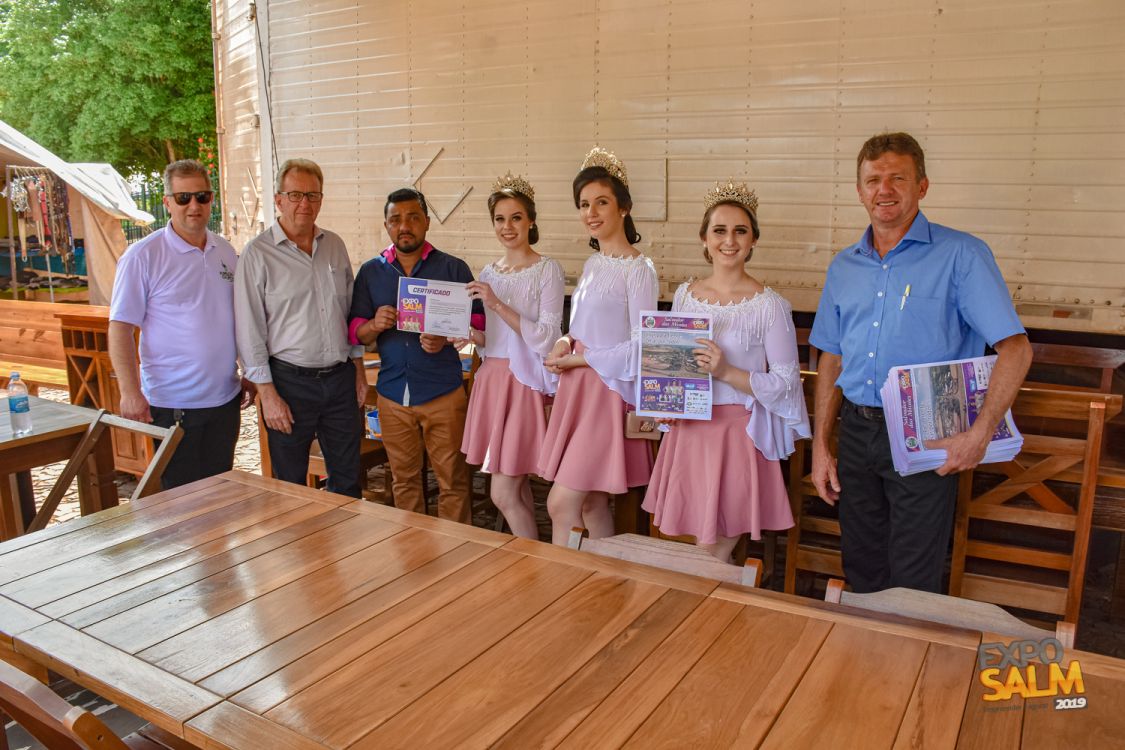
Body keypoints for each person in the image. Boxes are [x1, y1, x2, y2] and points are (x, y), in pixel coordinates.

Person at [809, 132, 1032, 593]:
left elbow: (1017, 349)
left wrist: (980, 434)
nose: (884, 190)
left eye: (898, 178)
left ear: (922, 186)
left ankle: (910, 643)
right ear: (859, 191)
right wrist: (821, 446)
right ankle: (865, 644)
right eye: (873, 180)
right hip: (856, 433)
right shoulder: (843, 266)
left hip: (927, 434)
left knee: (913, 578)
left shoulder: (962, 255)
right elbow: (832, 357)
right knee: (861, 566)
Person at [643, 181, 811, 562]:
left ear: (753, 240)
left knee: (711, 553)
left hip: (737, 435)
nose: (729, 241)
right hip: (690, 431)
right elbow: (674, 365)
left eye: (740, 231)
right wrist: (666, 402)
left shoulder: (770, 306)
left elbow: (787, 384)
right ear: (704, 238)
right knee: (702, 551)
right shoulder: (685, 295)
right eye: (719, 230)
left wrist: (726, 371)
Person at [539, 146, 658, 545]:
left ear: (624, 207)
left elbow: (641, 346)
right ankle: (606, 576)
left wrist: (580, 359)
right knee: (591, 503)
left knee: (561, 504)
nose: (591, 212)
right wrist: (562, 343)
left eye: (601, 202)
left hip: (606, 393)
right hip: (577, 388)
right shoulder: (592, 264)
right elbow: (579, 328)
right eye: (584, 204)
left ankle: (561, 578)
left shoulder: (639, 270)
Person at [109, 159, 252, 490]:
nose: (194, 206)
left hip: (224, 399)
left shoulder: (224, 251)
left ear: (211, 199)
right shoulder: (143, 256)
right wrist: (130, 392)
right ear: (167, 202)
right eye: (183, 198)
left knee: (220, 494)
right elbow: (120, 328)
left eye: (202, 196)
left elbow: (238, 318)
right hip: (173, 404)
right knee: (181, 503)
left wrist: (250, 370)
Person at [349, 188, 484, 523]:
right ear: (386, 225)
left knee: (453, 482)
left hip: (443, 393)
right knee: (404, 482)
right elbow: (354, 332)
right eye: (395, 219)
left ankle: (456, 547)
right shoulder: (371, 272)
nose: (404, 226)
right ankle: (413, 549)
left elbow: (479, 322)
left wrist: (447, 338)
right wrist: (374, 325)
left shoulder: (453, 268)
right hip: (393, 394)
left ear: (426, 222)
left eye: (412, 217)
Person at [234, 158, 366, 497]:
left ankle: (344, 535)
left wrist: (358, 371)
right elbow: (249, 330)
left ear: (321, 200)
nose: (304, 203)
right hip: (289, 384)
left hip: (339, 381)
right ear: (279, 199)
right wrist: (268, 395)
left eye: (312, 195)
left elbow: (350, 313)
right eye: (295, 195)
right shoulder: (257, 254)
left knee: (348, 482)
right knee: (290, 487)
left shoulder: (334, 245)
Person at [459, 173, 565, 538]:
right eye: (500, 219)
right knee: (515, 489)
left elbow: (547, 337)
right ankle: (532, 560)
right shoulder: (489, 272)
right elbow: (494, 340)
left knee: (502, 493)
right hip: (491, 380)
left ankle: (533, 559)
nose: (508, 226)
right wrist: (471, 336)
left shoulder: (547, 269)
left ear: (531, 220)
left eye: (516, 217)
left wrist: (495, 303)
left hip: (523, 382)